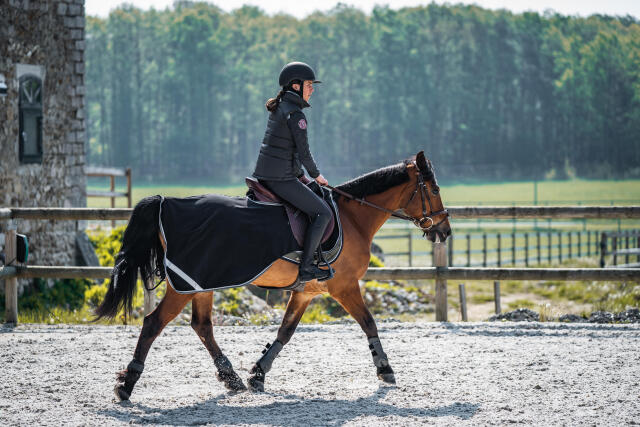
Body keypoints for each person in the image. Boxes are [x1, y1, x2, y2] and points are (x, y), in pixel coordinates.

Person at [253, 61, 332, 283]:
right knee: (324, 213)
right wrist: (318, 176)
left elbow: (289, 152)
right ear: (295, 86)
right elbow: (304, 154)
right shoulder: (296, 115)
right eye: (309, 84)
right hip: (280, 178)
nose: (312, 89)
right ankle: (306, 268)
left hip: (272, 174)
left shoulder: (282, 108)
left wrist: (303, 177)